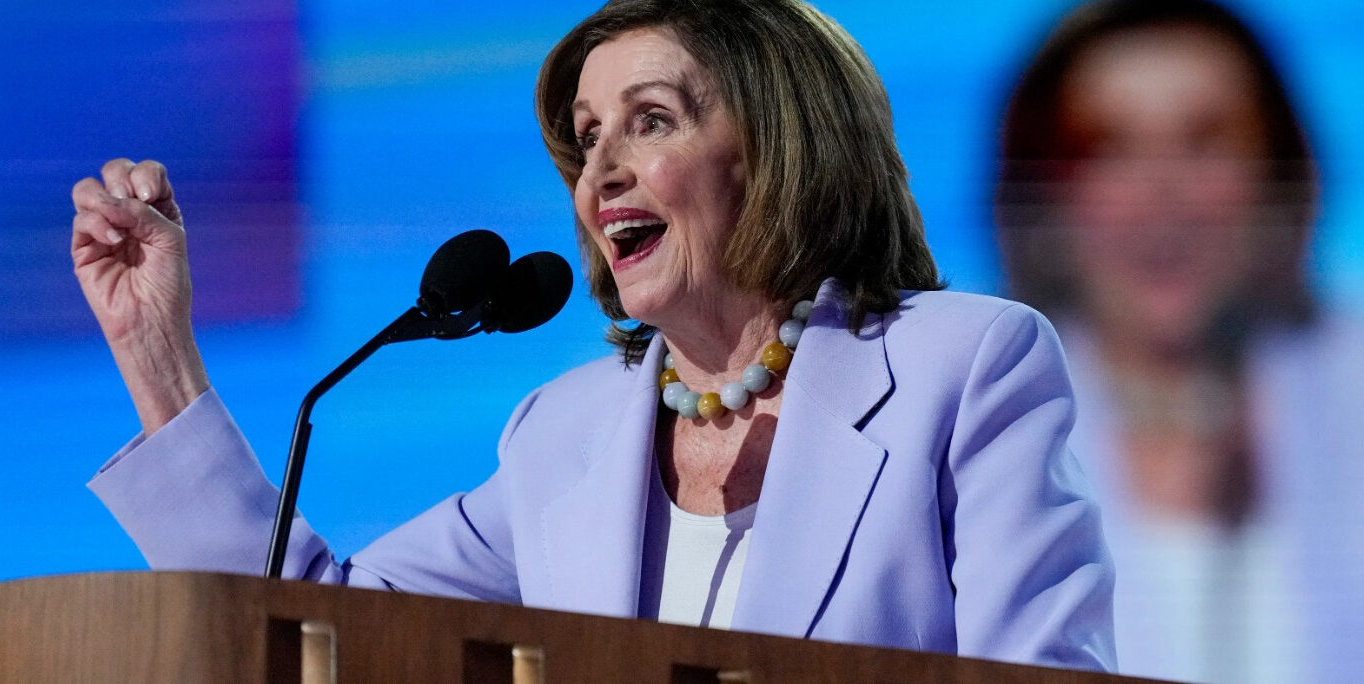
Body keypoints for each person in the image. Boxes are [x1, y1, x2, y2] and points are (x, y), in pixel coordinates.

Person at [73, 0, 1115, 671]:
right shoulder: (564, 434)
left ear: (779, 146)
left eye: (651, 120)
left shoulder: (964, 367)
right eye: (586, 137)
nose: (599, 172)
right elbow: (319, 628)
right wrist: (156, 353)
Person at [995, 0, 1364, 681]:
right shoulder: (970, 436)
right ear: (1045, 200)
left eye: (1206, 140)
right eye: (1108, 147)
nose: (1161, 194)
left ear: (1277, 180)